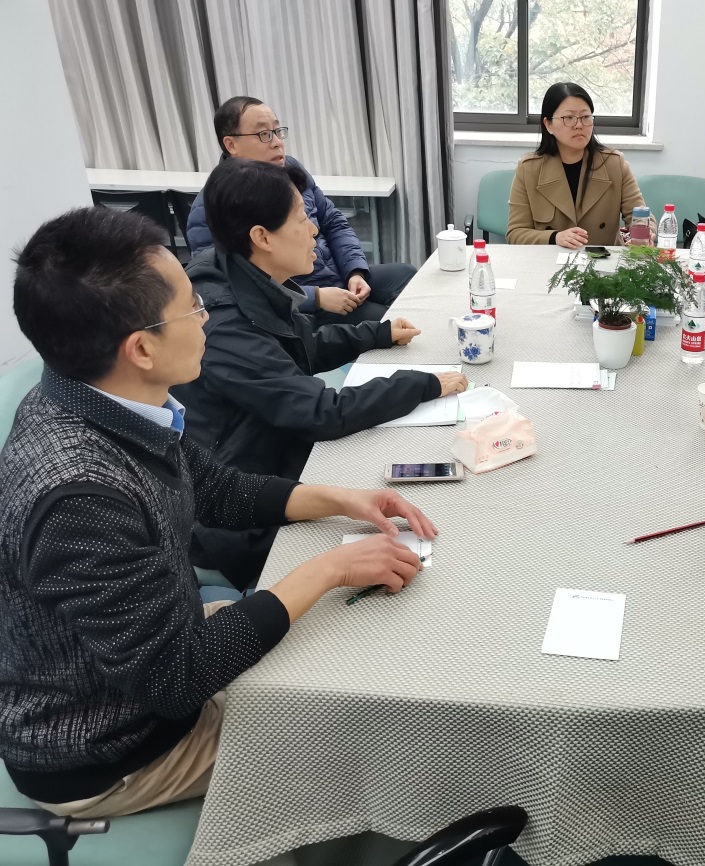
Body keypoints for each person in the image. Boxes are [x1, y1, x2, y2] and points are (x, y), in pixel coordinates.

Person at [0, 206, 435, 817]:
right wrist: (331, 568)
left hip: (157, 651)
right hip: (117, 744)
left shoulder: (101, 399)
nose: (207, 319)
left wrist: (343, 498)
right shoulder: (80, 498)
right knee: (368, 731)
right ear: (141, 348)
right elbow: (176, 679)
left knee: (353, 646)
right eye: (193, 308)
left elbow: (218, 489)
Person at [175, 158, 467, 587]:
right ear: (261, 237)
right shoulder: (224, 324)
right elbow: (322, 412)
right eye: (301, 219)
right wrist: (421, 384)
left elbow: (303, 345)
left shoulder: (246, 277)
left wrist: (377, 333)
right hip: (245, 515)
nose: (314, 229)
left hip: (279, 458)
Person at [186, 96, 412, 326]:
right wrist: (315, 297)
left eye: (277, 131)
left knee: (407, 276)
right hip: (300, 305)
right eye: (263, 134)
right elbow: (231, 286)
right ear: (231, 144)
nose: (277, 143)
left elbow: (333, 222)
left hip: (336, 275)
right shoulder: (212, 206)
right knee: (388, 320)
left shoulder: (291, 169)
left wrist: (355, 271)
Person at [507, 82, 652, 249]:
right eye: (569, 118)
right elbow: (515, 233)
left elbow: (639, 214)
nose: (579, 125)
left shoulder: (614, 164)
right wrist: (555, 237)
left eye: (585, 117)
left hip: (604, 261)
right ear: (548, 124)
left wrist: (645, 234)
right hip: (550, 260)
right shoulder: (529, 169)